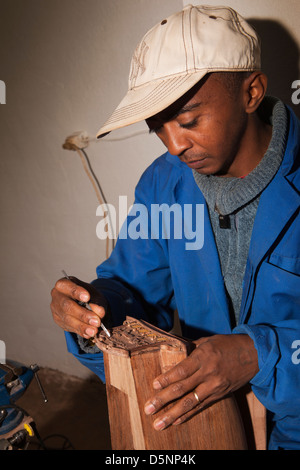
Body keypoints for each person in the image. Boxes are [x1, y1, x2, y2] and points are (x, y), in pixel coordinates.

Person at [50, 5, 300, 450]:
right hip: (210, 417)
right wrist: (95, 311)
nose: (175, 145)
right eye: (157, 129)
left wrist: (261, 354)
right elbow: (133, 289)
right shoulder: (164, 183)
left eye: (188, 120)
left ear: (252, 92)